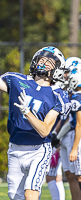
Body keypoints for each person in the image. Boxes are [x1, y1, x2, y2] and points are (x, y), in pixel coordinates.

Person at [0, 44, 71, 200]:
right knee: (15, 196)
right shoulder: (17, 80)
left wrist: (27, 113)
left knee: (30, 194)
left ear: (56, 69)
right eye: (41, 60)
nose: (42, 64)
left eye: (48, 62)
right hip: (15, 148)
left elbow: (44, 131)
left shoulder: (57, 95)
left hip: (39, 150)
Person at [57, 57, 81, 200]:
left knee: (79, 176)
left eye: (67, 73)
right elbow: (70, 121)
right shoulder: (73, 95)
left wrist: (75, 148)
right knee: (70, 175)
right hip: (69, 135)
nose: (64, 76)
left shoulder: (79, 97)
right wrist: (58, 136)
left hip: (76, 139)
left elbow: (79, 124)